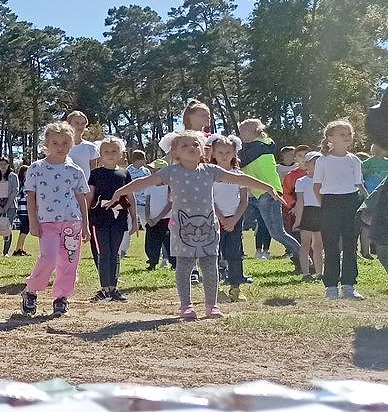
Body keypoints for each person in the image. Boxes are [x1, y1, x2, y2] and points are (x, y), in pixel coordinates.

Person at [115, 131, 277, 321]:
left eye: (195, 144)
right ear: (174, 153)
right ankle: (186, 306)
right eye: (185, 145)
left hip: (208, 227)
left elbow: (239, 179)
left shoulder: (210, 170)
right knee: (184, 266)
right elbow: (144, 182)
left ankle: (212, 306)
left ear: (202, 149)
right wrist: (119, 192)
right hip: (182, 229)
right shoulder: (170, 172)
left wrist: (268, 187)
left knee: (209, 265)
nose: (191, 148)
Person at [20, 121, 90, 319]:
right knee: (49, 258)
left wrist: (85, 225)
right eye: (55, 143)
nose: (60, 147)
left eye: (65, 143)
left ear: (72, 144)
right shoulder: (36, 168)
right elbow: (31, 196)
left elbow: (81, 198)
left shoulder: (76, 171)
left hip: (72, 223)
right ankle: (31, 290)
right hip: (47, 222)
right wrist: (33, 221)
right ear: (47, 144)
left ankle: (61, 297)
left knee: (69, 262)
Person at [314, 119, 367, 300]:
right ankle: (331, 286)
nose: (347, 137)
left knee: (350, 245)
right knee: (331, 245)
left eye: (349, 134)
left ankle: (349, 285)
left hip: (351, 202)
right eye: (342, 134)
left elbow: (359, 185)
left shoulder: (355, 160)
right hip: (330, 203)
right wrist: (325, 205)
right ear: (330, 138)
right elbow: (317, 186)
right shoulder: (323, 160)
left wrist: (367, 204)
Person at [238, 119, 299, 265]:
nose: (240, 135)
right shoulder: (262, 144)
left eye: (242, 132)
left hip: (267, 194)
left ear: (252, 131)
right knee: (238, 228)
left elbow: (240, 161)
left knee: (277, 233)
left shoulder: (258, 147)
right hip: (257, 193)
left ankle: (303, 256)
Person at [86, 136, 134, 302]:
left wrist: (135, 219)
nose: (110, 154)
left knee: (115, 253)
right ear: (100, 154)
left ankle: (113, 288)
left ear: (121, 153)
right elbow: (89, 197)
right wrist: (85, 219)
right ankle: (104, 288)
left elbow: (130, 196)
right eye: (106, 151)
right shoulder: (95, 173)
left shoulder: (125, 173)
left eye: (114, 151)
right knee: (103, 252)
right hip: (99, 220)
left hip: (119, 219)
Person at [209, 134, 249, 302]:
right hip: (215, 219)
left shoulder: (239, 174)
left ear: (234, 153)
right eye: (220, 152)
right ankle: (215, 289)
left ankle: (235, 287)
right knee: (214, 254)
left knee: (234, 253)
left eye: (227, 152)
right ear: (213, 154)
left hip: (235, 219)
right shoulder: (210, 175)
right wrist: (221, 218)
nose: (224, 156)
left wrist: (234, 220)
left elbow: (244, 200)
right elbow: (209, 199)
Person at [290, 152, 324, 280]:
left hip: (320, 212)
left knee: (318, 245)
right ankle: (306, 273)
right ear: (307, 164)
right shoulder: (301, 181)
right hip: (307, 213)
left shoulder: (324, 180)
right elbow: (300, 202)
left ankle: (319, 272)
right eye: (314, 163)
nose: (317, 166)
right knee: (305, 244)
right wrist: (298, 221)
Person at [121, 149, 150, 258]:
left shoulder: (146, 171)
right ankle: (123, 250)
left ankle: (152, 251)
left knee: (148, 227)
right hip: (130, 204)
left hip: (143, 204)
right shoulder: (127, 171)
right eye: (143, 158)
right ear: (137, 160)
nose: (145, 161)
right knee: (128, 227)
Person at [65, 111, 102, 178]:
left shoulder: (91, 147)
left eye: (83, 123)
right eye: (77, 123)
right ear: (69, 124)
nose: (80, 126)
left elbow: (94, 173)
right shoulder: (61, 146)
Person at [12, 163, 31, 256]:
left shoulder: (28, 182)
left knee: (24, 229)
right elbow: (18, 194)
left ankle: (19, 249)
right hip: (22, 209)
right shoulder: (20, 183)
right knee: (25, 228)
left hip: (28, 209)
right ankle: (18, 250)